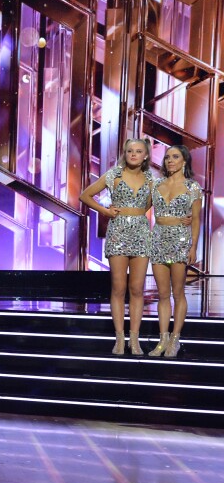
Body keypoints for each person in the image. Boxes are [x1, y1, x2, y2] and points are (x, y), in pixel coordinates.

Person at [79, 139, 155, 355]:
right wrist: (105, 211)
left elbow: (156, 202)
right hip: (118, 232)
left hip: (141, 232)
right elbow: (84, 195)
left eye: (138, 151)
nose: (133, 154)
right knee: (119, 287)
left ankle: (135, 339)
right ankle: (119, 339)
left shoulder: (151, 178)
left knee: (137, 289)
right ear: (125, 153)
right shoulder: (113, 174)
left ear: (146, 156)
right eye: (130, 150)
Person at [148, 145, 202, 357]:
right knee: (162, 294)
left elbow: (196, 219)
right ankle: (163, 339)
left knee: (178, 293)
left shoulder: (193, 187)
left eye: (175, 157)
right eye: (168, 157)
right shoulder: (157, 184)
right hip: (158, 240)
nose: (170, 160)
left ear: (184, 161)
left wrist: (194, 246)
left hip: (180, 241)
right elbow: (141, 208)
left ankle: (175, 339)